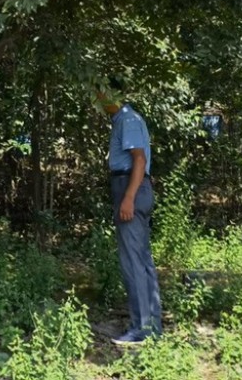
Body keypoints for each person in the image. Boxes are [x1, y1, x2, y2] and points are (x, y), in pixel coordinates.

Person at [96, 76, 162, 345]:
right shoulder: (124, 120)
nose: (97, 101)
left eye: (99, 94)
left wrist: (129, 198)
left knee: (133, 263)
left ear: (111, 94)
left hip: (131, 188)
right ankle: (151, 327)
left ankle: (142, 330)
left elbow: (139, 159)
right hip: (131, 187)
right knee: (141, 261)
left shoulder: (128, 119)